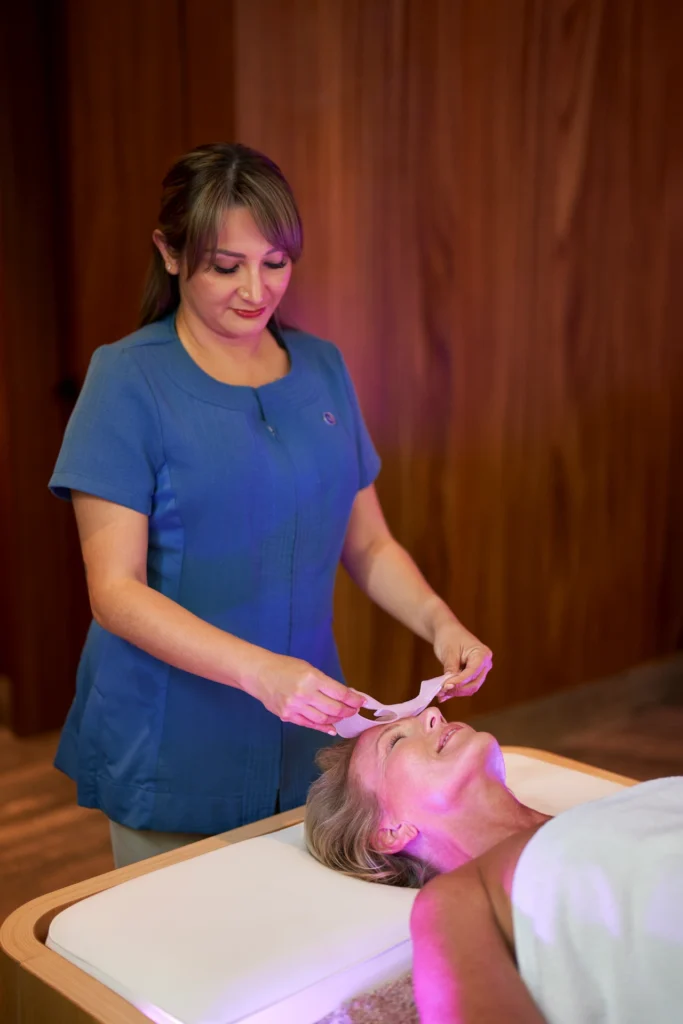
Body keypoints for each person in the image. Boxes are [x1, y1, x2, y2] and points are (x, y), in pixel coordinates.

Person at [49, 142, 493, 869]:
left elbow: (370, 546)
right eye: (226, 266)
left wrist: (442, 627)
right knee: (179, 963)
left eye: (275, 263)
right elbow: (115, 592)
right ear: (170, 252)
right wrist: (261, 674)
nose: (255, 289)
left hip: (308, 729)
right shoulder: (126, 379)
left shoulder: (320, 367)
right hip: (172, 734)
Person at [305, 708, 683, 1022]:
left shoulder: (620, 807)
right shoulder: (459, 900)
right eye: (397, 740)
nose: (434, 713)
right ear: (389, 831)